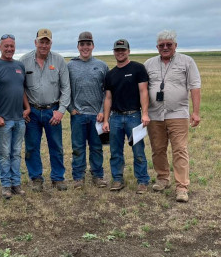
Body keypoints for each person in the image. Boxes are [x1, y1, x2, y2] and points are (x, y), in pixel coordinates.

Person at [144, 30, 201, 203]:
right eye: (162, 45)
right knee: (158, 148)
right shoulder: (149, 64)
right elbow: (143, 89)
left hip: (178, 113)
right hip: (155, 114)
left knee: (180, 150)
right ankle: (162, 178)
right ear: (157, 47)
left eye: (169, 44)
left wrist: (196, 112)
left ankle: (182, 187)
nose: (165, 47)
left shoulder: (187, 62)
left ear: (175, 45)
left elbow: (195, 86)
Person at [20, 28, 71, 192]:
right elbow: (20, 88)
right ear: (35, 42)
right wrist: (25, 108)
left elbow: (66, 88)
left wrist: (61, 110)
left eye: (47, 42)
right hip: (32, 112)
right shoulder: (24, 61)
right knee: (31, 147)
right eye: (41, 41)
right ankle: (36, 178)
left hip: (53, 111)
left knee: (56, 146)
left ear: (51, 43)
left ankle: (58, 178)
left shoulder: (59, 61)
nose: (44, 45)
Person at [103, 39, 150, 194]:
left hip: (134, 116)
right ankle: (117, 179)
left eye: (123, 49)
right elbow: (108, 98)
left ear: (128, 51)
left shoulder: (138, 68)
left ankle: (142, 181)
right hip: (115, 118)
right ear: (114, 52)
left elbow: (144, 91)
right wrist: (105, 120)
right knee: (115, 151)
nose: (120, 52)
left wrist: (144, 113)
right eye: (117, 50)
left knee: (138, 151)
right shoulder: (110, 74)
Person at [0, 34, 30, 199]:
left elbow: (22, 89)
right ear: (0, 47)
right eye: (6, 46)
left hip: (20, 118)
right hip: (3, 119)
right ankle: (6, 185)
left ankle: (16, 184)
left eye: (12, 46)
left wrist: (27, 108)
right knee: (4, 153)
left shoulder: (20, 65)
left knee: (17, 152)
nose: (9, 49)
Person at [67, 31, 109, 189]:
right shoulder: (70, 66)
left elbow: (107, 92)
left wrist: (102, 111)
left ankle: (97, 175)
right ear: (78, 46)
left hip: (96, 116)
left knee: (97, 147)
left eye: (88, 44)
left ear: (93, 46)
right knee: (78, 148)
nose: (85, 47)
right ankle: (78, 177)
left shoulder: (102, 66)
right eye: (82, 44)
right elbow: (65, 89)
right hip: (78, 115)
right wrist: (71, 109)